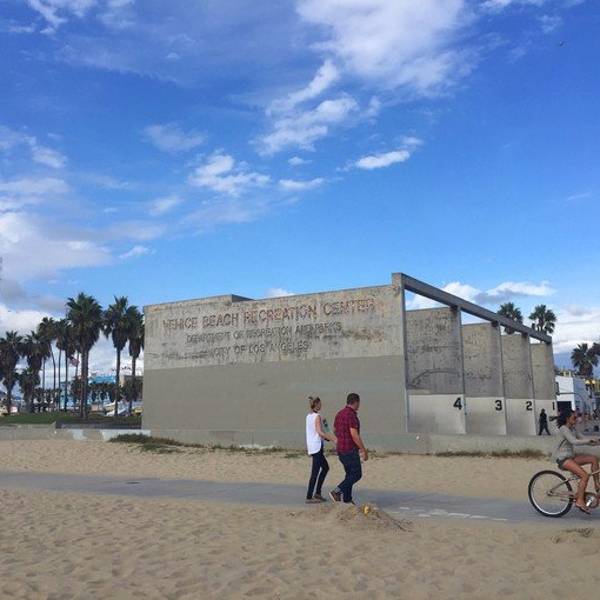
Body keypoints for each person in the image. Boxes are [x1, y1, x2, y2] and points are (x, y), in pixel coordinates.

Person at [554, 408, 600, 514]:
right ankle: (579, 501)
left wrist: (597, 442)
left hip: (571, 457)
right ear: (567, 419)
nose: (576, 419)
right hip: (563, 459)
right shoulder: (564, 428)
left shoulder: (573, 429)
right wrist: (589, 440)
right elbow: (574, 441)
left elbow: (584, 439)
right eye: (574, 417)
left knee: (594, 459)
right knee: (585, 476)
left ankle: (597, 485)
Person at [329, 392, 368, 504]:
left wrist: (341, 438)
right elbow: (354, 435)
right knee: (356, 474)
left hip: (341, 450)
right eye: (359, 403)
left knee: (349, 474)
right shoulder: (351, 415)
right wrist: (363, 450)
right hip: (350, 450)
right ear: (356, 402)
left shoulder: (339, 414)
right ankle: (337, 491)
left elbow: (335, 430)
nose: (359, 405)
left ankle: (347, 499)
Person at [305, 396, 336, 504]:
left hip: (313, 446)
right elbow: (319, 432)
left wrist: (328, 437)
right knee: (315, 472)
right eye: (320, 403)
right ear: (316, 404)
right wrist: (333, 439)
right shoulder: (317, 416)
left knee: (325, 468)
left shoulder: (308, 416)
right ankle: (309, 497)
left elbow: (318, 431)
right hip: (317, 447)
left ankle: (317, 493)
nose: (321, 405)